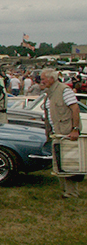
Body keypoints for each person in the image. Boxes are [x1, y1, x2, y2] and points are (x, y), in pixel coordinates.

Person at [41, 68, 82, 198]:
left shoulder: (64, 90)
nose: (41, 82)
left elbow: (75, 108)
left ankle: (71, 192)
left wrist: (75, 129)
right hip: (57, 133)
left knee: (68, 164)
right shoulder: (50, 93)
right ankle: (65, 191)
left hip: (66, 133)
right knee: (59, 164)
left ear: (51, 79)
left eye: (43, 79)